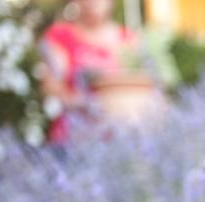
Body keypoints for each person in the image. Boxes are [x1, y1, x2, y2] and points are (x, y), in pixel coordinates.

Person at [40, 0, 140, 143]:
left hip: (118, 136)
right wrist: (83, 103)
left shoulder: (128, 40)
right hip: (74, 138)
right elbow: (51, 87)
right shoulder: (60, 36)